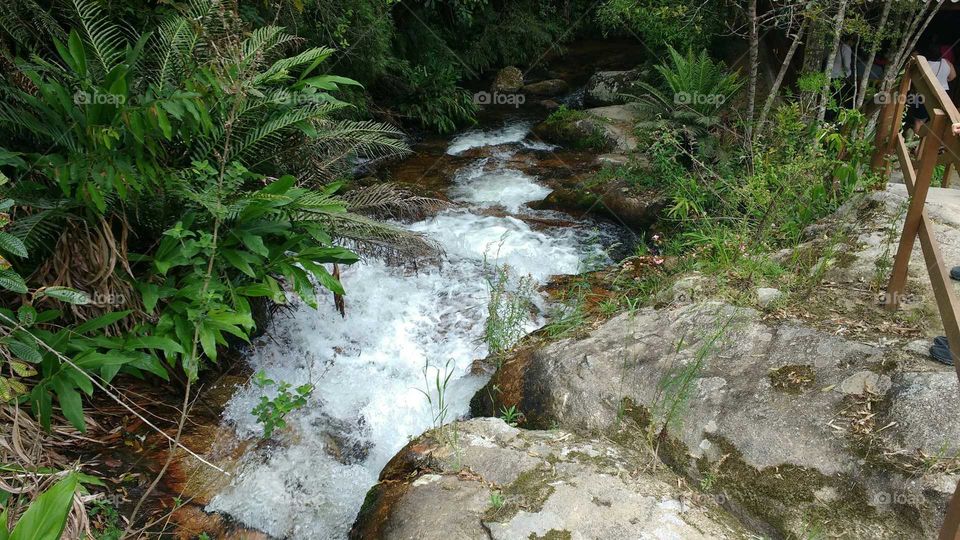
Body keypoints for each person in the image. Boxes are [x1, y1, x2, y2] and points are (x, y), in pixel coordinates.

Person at [912, 41, 956, 135]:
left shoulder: (924, 64)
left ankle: (915, 144)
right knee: (936, 121)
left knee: (919, 121)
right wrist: (942, 80)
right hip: (943, 93)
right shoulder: (947, 63)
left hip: (923, 93)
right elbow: (953, 76)